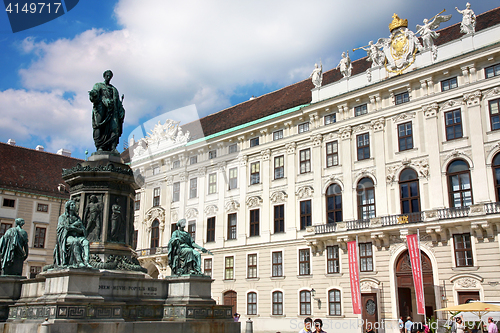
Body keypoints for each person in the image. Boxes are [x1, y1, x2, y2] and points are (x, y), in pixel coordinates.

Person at [89, 70, 125, 153]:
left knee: (115, 128)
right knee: (99, 127)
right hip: (102, 110)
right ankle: (100, 147)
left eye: (110, 76)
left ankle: (113, 147)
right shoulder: (98, 85)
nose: (108, 77)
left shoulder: (114, 89)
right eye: (107, 75)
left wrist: (121, 110)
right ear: (104, 76)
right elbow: (94, 96)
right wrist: (94, 95)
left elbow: (118, 103)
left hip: (113, 111)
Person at [53, 200, 91, 268]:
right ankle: (79, 262)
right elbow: (62, 228)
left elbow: (82, 230)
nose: (74, 206)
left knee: (86, 242)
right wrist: (74, 226)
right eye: (72, 205)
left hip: (78, 236)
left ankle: (86, 261)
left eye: (74, 205)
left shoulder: (77, 218)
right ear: (68, 207)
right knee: (74, 242)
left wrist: (73, 228)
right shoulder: (62, 217)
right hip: (67, 237)